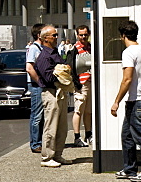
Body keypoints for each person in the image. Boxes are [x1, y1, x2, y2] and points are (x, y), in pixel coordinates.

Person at [110, 20, 141, 182]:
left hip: (136, 101)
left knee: (140, 137)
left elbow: (127, 79)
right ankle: (129, 169)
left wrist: (116, 101)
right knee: (128, 136)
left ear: (122, 35)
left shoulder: (128, 52)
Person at [35, 26, 72, 168]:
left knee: (62, 126)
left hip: (60, 92)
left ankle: (57, 154)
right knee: (51, 126)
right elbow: (49, 77)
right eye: (54, 35)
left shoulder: (55, 53)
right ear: (45, 38)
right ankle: (47, 157)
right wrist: (62, 71)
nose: (57, 37)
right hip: (51, 93)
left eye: (57, 35)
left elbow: (63, 68)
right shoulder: (44, 56)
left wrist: (64, 70)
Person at [65, 25, 93, 148]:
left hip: (91, 82)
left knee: (88, 111)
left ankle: (88, 134)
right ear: (77, 35)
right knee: (78, 111)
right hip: (80, 85)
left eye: (85, 34)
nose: (83, 37)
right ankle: (77, 137)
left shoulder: (91, 47)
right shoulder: (74, 49)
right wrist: (76, 84)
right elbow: (70, 67)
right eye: (81, 35)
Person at [25, 23, 46, 153]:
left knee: (41, 115)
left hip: (40, 84)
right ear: (39, 35)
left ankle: (39, 141)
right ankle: (35, 143)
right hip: (36, 85)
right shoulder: (34, 48)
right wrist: (39, 81)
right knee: (37, 115)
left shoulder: (41, 48)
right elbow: (29, 68)